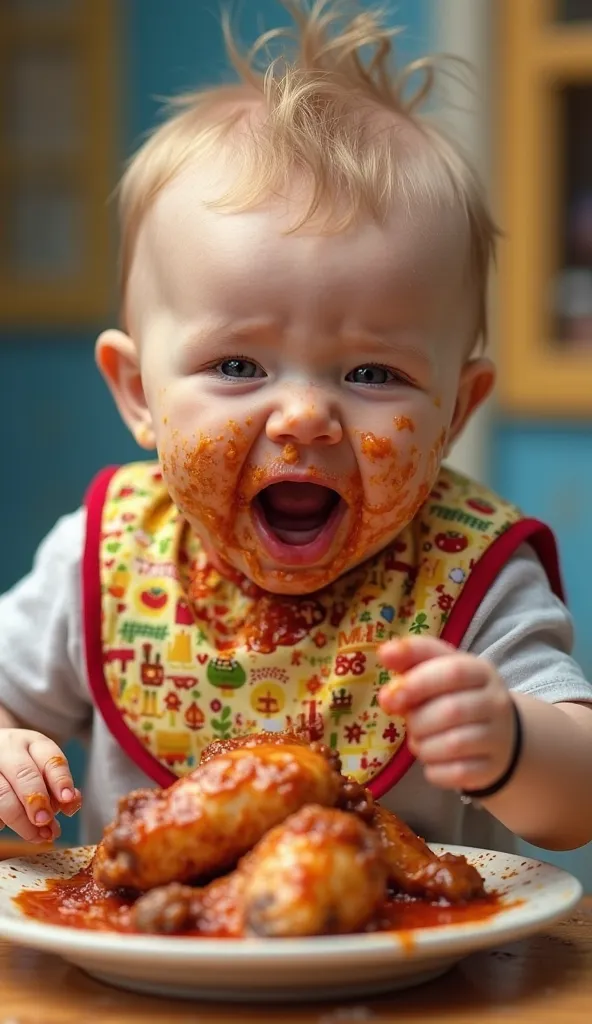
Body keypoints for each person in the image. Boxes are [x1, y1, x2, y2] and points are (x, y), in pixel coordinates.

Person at [1, 0, 591, 855]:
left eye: (372, 374)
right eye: (239, 366)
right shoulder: (104, 555)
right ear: (136, 391)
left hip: (402, 974)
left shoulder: (468, 577)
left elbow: (576, 803)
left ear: (455, 413)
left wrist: (511, 744)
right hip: (133, 973)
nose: (307, 415)